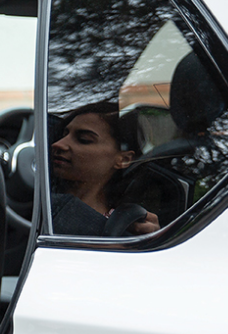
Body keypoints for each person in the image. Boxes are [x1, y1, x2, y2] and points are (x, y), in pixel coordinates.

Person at [49, 101, 161, 236]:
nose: (58, 144)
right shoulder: (34, 199)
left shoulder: (126, 225)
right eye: (63, 135)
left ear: (124, 160)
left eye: (84, 139)